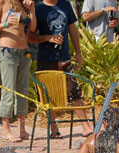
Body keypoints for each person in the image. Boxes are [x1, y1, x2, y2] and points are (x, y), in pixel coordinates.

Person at [30, 0, 94, 138]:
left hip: (64, 58)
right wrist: (48, 38)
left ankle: (85, 126)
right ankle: (54, 128)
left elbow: (72, 29)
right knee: (50, 95)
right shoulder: (38, 9)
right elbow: (31, 36)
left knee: (74, 90)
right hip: (46, 58)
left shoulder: (65, 4)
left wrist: (78, 52)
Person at [0, 0, 37, 142]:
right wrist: (5, 24)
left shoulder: (23, 4)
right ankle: (6, 129)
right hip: (8, 50)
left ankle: (22, 130)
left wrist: (32, 10)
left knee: (22, 90)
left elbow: (32, 28)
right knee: (8, 89)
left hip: (24, 51)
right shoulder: (0, 3)